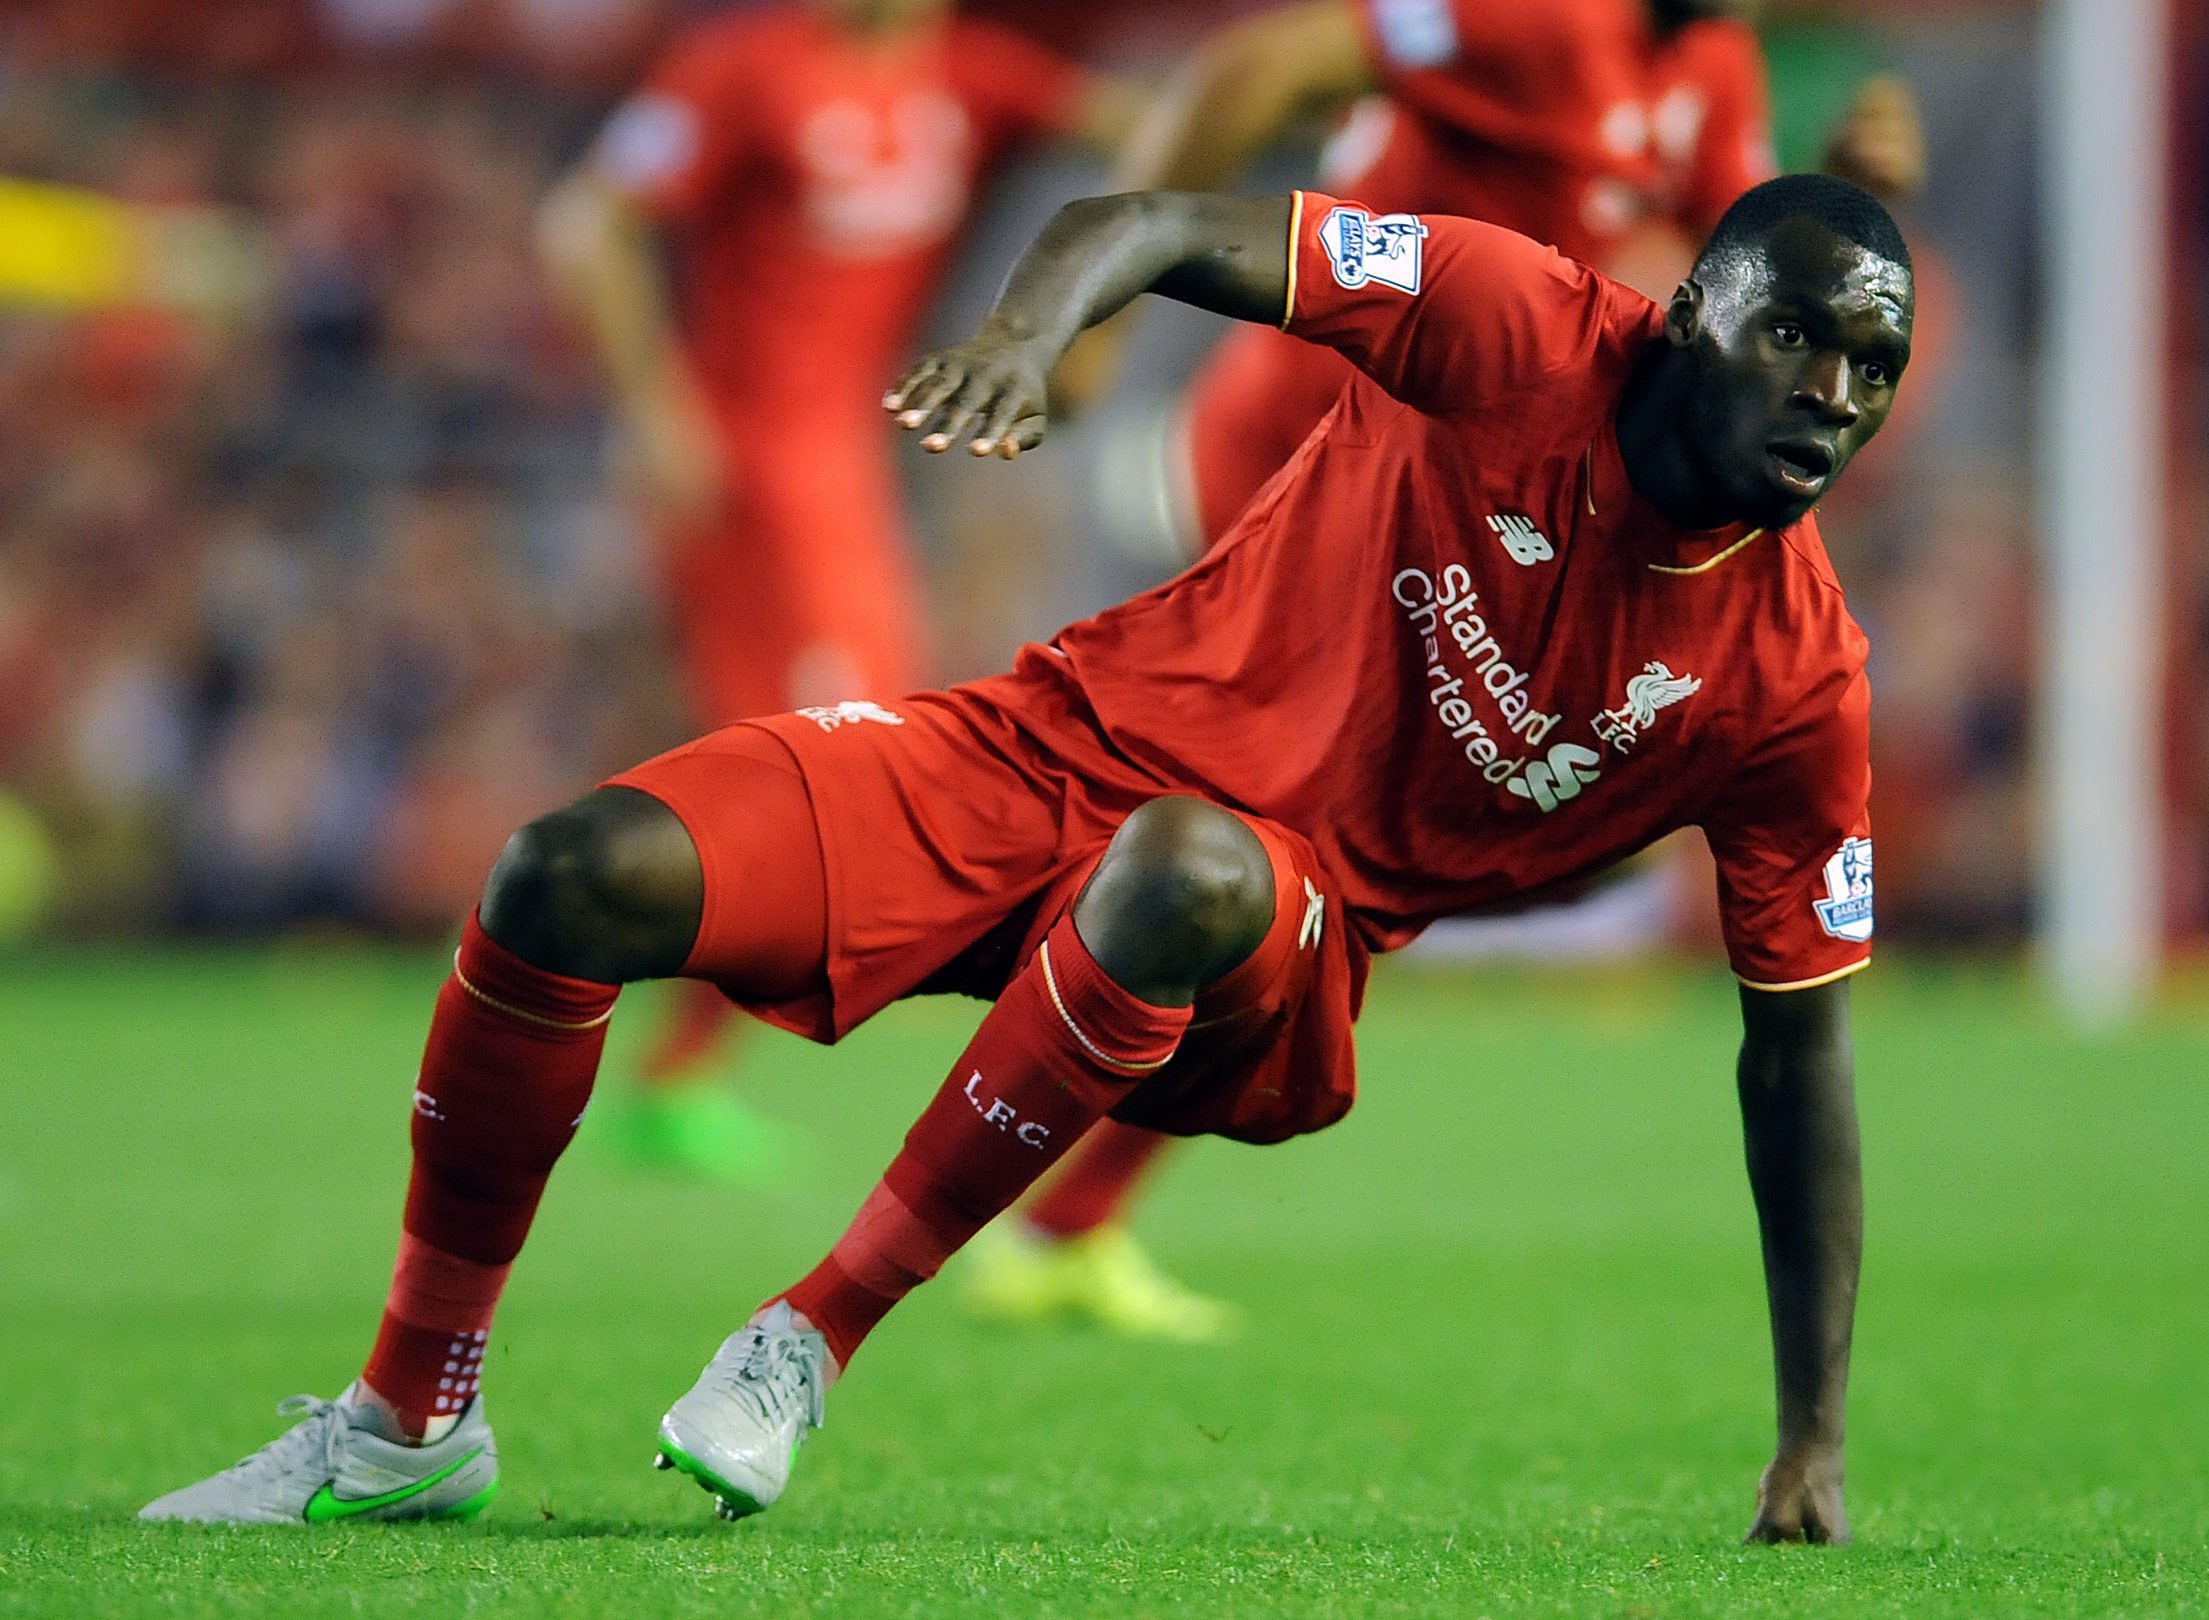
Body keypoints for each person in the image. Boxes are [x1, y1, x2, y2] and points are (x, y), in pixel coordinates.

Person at [142, 170, 1910, 1543]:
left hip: (1268, 932)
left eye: (1871, 372)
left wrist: (1813, 1432)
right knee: (567, 871)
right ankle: (404, 1420)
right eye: (1792, 342)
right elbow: (1133, 219)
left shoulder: (1789, 685)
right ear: (1688, 312)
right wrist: (1020, 338)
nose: (1828, 396)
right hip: (1046, 742)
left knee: (1186, 868)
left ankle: (807, 1338)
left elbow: (1799, 1053)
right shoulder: (1514, 322)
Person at [971, 0, 1922, 1324]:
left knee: (1455, 858)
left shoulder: (1709, 62)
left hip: (1492, 513)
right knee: (1331, 851)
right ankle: (1032, 1017)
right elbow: (1249, 69)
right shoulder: (1527, 16)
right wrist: (1109, 325)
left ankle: (1075, 1180)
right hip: (1334, 459)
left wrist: (1848, 202)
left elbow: (1746, 263)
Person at [534, 0, 1143, 1190]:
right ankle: (639, 1042)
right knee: (824, 764)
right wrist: (657, 404)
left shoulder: (972, 75)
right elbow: (583, 224)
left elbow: (1156, 127)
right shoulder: (747, 69)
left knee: (829, 759)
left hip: (841, 465)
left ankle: (669, 1055)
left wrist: (1094, 286)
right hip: (753, 470)